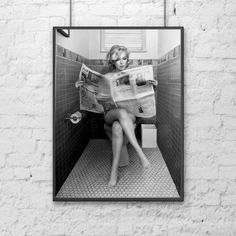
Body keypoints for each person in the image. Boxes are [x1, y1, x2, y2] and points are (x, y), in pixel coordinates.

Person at [103, 45, 152, 187]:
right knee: (120, 114)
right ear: (112, 61)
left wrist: (149, 86)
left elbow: (140, 101)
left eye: (124, 58)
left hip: (129, 115)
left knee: (118, 127)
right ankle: (140, 154)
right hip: (111, 114)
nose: (121, 62)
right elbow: (98, 100)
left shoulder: (132, 77)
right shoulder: (106, 77)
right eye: (117, 59)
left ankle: (113, 172)